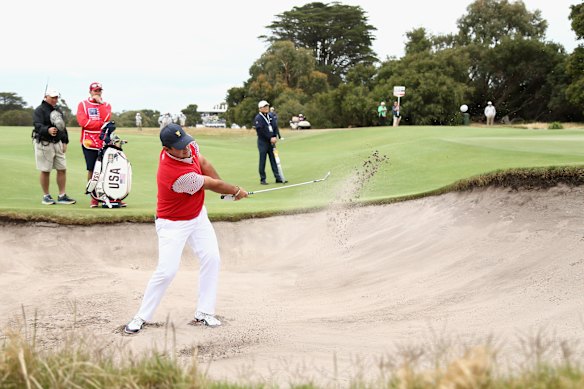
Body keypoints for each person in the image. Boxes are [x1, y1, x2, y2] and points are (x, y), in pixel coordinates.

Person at [124, 124, 248, 334]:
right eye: (179, 148)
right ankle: (141, 316)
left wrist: (224, 187)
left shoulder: (189, 146)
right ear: (167, 149)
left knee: (212, 259)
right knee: (167, 271)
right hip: (173, 224)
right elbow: (209, 183)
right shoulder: (176, 175)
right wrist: (235, 190)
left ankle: (204, 312)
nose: (186, 149)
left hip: (197, 216)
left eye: (186, 143)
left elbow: (203, 162)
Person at [77, 82, 125, 208]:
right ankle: (94, 197)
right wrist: (100, 124)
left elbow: (106, 118)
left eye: (99, 90)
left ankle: (111, 195)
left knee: (107, 169)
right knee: (92, 169)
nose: (97, 93)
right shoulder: (83, 104)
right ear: (90, 92)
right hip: (89, 142)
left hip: (105, 141)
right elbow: (83, 122)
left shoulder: (106, 105)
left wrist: (100, 104)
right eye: (95, 91)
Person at [32, 90, 76, 205]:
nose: (55, 100)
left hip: (58, 143)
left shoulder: (58, 110)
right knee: (45, 170)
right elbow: (37, 126)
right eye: (53, 97)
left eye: (56, 97)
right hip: (44, 144)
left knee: (62, 169)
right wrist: (48, 130)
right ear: (46, 96)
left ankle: (62, 195)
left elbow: (62, 127)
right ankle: (46, 196)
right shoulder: (39, 110)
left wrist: (65, 141)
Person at [254, 100, 284, 185]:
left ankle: (278, 177)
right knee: (262, 160)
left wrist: (274, 136)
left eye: (267, 106)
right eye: (264, 106)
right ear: (260, 109)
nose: (266, 108)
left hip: (272, 142)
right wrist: (270, 138)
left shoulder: (270, 116)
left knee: (274, 160)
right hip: (263, 142)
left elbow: (274, 126)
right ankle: (262, 179)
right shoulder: (258, 118)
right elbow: (260, 131)